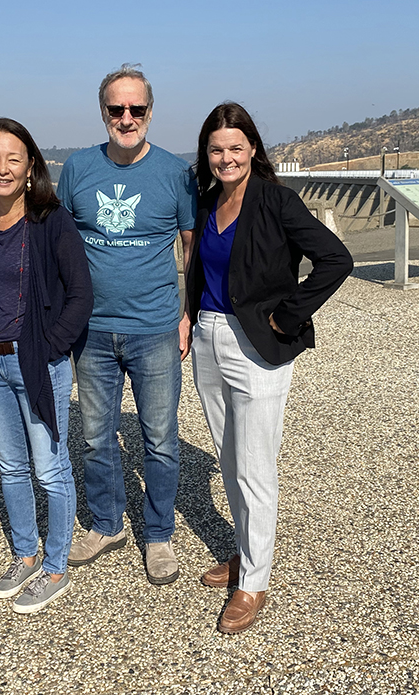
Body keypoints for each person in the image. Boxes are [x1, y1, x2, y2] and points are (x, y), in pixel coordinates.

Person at [185, 102, 353, 634]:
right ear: (206, 154)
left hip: (255, 345)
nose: (226, 157)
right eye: (217, 149)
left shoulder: (277, 201)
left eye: (236, 147)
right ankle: (244, 551)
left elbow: (336, 259)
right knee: (228, 454)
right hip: (209, 341)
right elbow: (199, 267)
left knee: (255, 467)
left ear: (252, 149)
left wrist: (289, 314)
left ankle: (253, 581)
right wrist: (188, 314)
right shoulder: (208, 202)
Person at [56, 64, 197, 584]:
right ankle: (108, 523)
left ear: (151, 112)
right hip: (92, 332)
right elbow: (62, 244)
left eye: (136, 108)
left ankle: (158, 535)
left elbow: (190, 247)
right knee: (96, 437)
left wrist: (188, 313)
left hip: (156, 328)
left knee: (159, 438)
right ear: (103, 113)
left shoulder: (176, 174)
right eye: (117, 109)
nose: (127, 117)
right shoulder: (77, 169)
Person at [0, 118, 92, 613]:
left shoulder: (51, 221)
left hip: (37, 362)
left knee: (49, 466)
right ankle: (26, 553)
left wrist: (52, 346)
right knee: (10, 465)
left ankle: (56, 566)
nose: (3, 168)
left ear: (31, 165)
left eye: (13, 158)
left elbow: (80, 294)